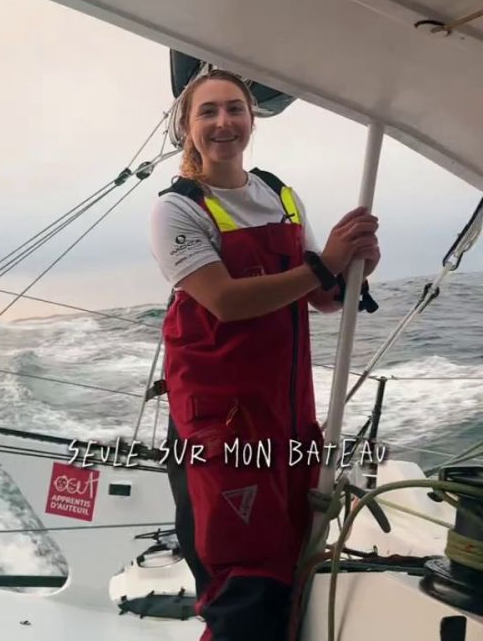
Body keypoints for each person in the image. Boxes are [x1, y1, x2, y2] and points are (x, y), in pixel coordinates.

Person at [150, 69, 381, 641]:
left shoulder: (279, 194)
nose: (223, 123)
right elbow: (224, 301)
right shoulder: (177, 210)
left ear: (252, 119)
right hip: (221, 428)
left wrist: (351, 268)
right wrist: (323, 264)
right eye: (208, 112)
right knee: (244, 584)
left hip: (287, 417)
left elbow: (320, 296)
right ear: (188, 127)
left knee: (292, 562)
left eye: (234, 109)